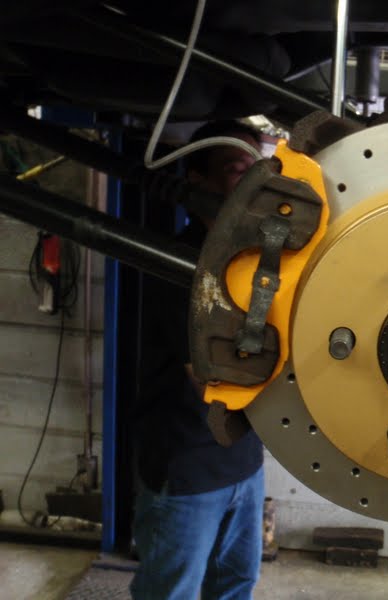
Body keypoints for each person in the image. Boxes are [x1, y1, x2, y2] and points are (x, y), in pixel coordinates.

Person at [131, 120, 266, 600]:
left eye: (259, 169)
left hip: (245, 465)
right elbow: (213, 384)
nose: (253, 182)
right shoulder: (178, 265)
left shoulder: (254, 260)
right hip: (188, 470)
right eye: (236, 170)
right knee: (172, 593)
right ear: (197, 182)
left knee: (236, 585)